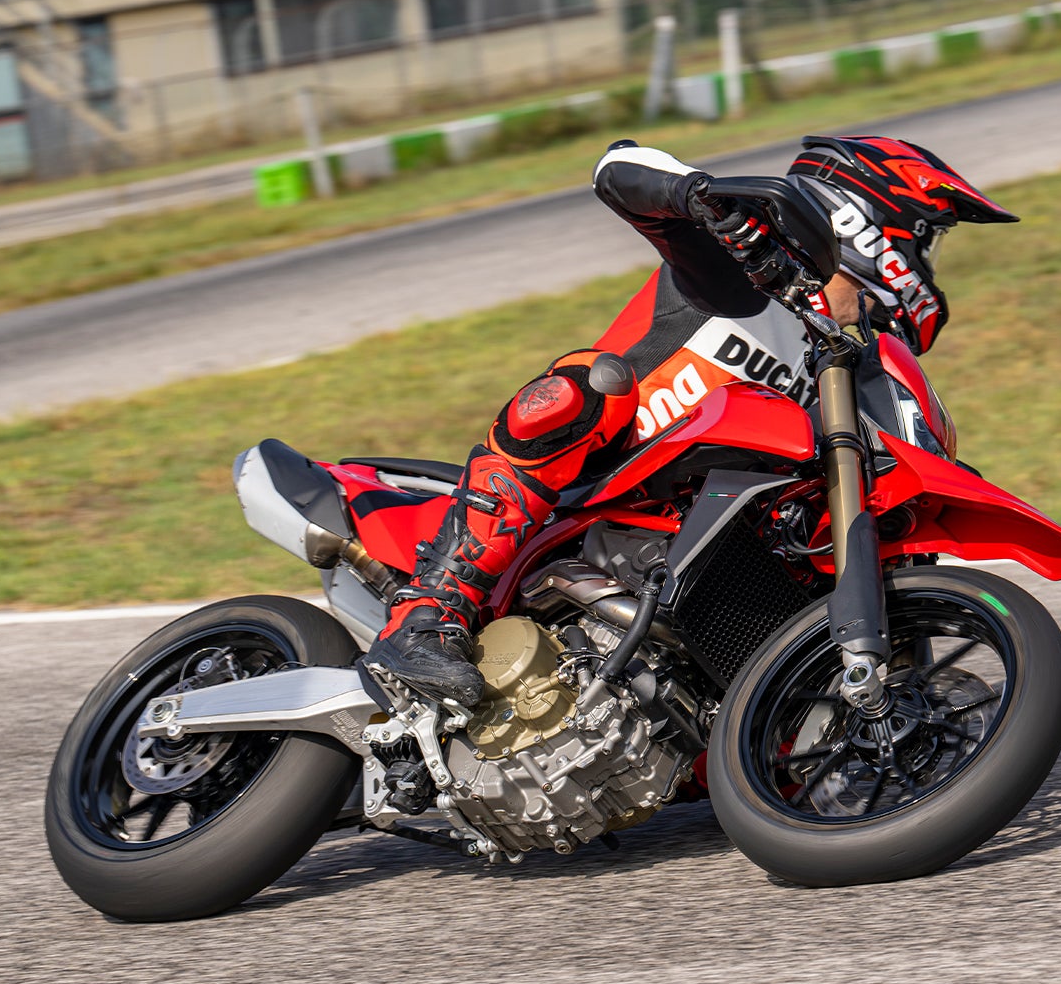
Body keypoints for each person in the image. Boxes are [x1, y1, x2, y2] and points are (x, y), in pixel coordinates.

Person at [362, 135, 1018, 708]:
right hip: (592, 494)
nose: (927, 266)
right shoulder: (742, 269)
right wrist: (700, 197)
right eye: (927, 239)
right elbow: (618, 167)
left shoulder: (858, 367)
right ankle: (429, 613)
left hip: (703, 546)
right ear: (870, 223)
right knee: (588, 385)